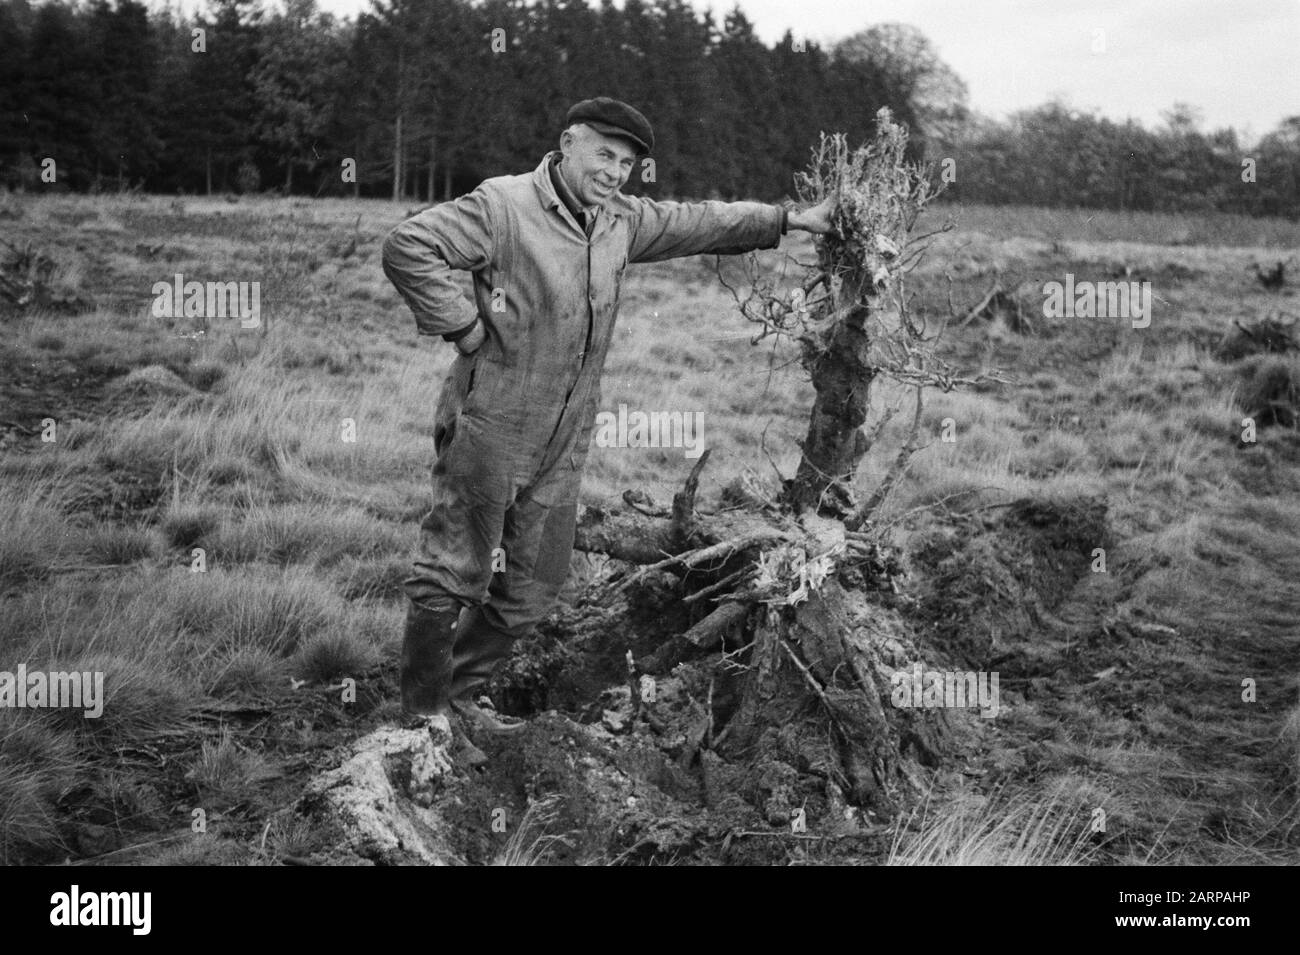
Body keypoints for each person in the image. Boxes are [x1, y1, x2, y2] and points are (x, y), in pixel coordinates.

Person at [382, 97, 833, 745]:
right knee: (456, 566)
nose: (614, 170)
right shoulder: (504, 206)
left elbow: (700, 221)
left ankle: (459, 694)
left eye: (626, 162)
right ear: (567, 142)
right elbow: (410, 245)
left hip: (566, 433)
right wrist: (463, 323)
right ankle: (421, 717)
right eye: (603, 153)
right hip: (492, 419)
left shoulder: (619, 220)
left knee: (535, 583)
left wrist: (791, 218)